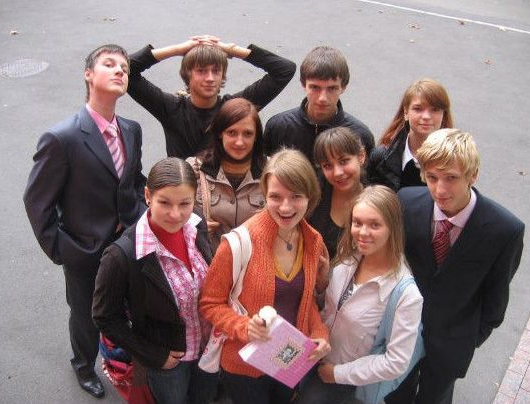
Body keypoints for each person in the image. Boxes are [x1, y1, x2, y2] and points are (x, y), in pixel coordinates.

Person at [23, 44, 146, 399]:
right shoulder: (62, 138)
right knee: (86, 314)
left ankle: (131, 363)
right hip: (84, 250)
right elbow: (37, 202)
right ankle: (83, 365)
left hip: (128, 242)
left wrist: (139, 216)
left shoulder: (132, 129)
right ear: (89, 74)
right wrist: (64, 251)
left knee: (131, 306)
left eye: (124, 67)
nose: (120, 70)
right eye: (110, 64)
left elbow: (134, 180)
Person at [386, 129, 525, 404]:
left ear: (473, 175)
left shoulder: (504, 230)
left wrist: (469, 339)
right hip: (403, 332)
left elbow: (496, 298)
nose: (440, 189)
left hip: (452, 344)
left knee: (435, 398)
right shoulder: (407, 202)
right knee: (395, 394)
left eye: (451, 178)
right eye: (432, 177)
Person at [200, 149, 331, 404]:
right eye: (275, 196)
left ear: (310, 196)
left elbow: (306, 303)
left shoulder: (313, 241)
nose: (285, 207)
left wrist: (320, 333)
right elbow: (210, 303)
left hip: (289, 358)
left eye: (296, 196)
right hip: (245, 366)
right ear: (264, 195)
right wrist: (244, 326)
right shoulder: (239, 242)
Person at [93, 157, 216, 404]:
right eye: (165, 203)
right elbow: (105, 316)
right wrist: (154, 355)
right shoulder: (122, 257)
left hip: (209, 347)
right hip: (170, 361)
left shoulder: (196, 223)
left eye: (185, 203)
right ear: (148, 195)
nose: (176, 214)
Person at [297, 185, 423, 404]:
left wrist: (337, 374)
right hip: (314, 356)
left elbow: (396, 362)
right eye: (357, 223)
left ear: (392, 227)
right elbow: (332, 309)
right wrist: (323, 285)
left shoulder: (406, 295)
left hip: (346, 382)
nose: (363, 233)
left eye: (374, 225)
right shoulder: (349, 256)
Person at [128, 35, 296, 158]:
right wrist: (177, 50)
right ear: (187, 75)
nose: (210, 78)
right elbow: (127, 70)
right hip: (181, 192)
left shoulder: (235, 108)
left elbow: (285, 70)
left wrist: (231, 50)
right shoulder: (170, 107)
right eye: (201, 71)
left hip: (223, 193)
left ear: (222, 75)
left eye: (216, 71)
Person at [263, 46, 374, 162]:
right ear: (303, 85)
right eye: (315, 87)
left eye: (332, 88)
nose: (322, 98)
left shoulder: (360, 135)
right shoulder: (278, 127)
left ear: (343, 87)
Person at [187, 97, 267, 251]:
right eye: (232, 133)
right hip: (210, 261)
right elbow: (171, 215)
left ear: (256, 136)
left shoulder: (273, 172)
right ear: (220, 133)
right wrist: (191, 226)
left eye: (247, 134)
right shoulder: (194, 170)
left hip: (258, 261)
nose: (239, 142)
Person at [367, 78, 453, 191]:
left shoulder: (455, 161)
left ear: (443, 114)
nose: (426, 116)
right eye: (418, 109)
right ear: (406, 112)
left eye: (435, 109)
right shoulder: (381, 158)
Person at [309, 127, 366, 259]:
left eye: (343, 161)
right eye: (328, 165)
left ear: (361, 156)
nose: (337, 173)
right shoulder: (313, 199)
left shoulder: (379, 203)